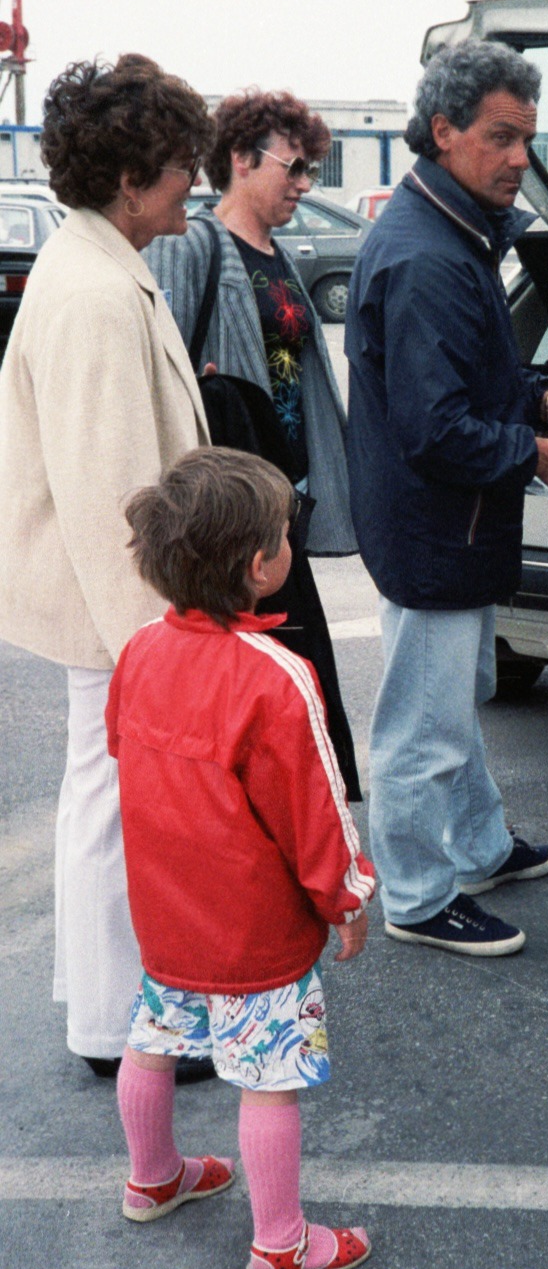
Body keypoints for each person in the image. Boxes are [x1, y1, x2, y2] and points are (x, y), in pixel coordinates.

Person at [346, 40, 548, 956]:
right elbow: (434, 428)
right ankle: (418, 897)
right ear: (443, 131)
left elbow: (474, 375)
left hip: (443, 524)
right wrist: (536, 454)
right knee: (423, 722)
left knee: (456, 692)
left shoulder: (455, 232)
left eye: (526, 140)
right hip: (433, 529)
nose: (517, 160)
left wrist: (545, 398)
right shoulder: (427, 257)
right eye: (500, 139)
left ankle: (479, 845)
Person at [108, 448, 376, 1269]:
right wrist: (347, 896)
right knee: (270, 1078)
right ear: (260, 565)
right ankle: (282, 1240)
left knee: (150, 1040)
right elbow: (314, 810)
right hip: (251, 927)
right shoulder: (275, 676)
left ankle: (154, 1176)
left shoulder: (141, 649)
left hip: (164, 909)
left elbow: (122, 748)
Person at [0, 54, 214, 1081]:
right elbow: (110, 494)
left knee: (103, 796)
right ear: (130, 180)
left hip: (102, 604)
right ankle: (113, 1022)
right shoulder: (94, 293)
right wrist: (155, 646)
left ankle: (106, 1005)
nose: (193, 185)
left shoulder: (94, 267)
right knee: (114, 802)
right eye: (179, 167)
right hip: (114, 606)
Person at [145, 90, 362, 800]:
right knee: (257, 667)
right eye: (294, 168)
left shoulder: (278, 255)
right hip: (233, 511)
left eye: (309, 171)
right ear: (240, 160)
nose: (304, 184)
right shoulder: (194, 245)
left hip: (284, 498)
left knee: (292, 667)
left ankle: (297, 820)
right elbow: (167, 365)